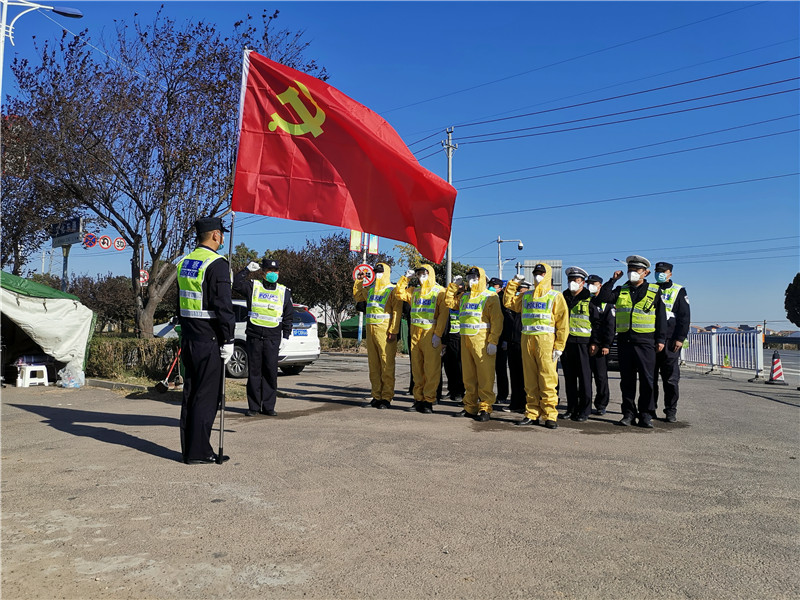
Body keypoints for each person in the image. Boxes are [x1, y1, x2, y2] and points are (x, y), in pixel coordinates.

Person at [176, 217, 236, 464]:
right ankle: (200, 452)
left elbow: (180, 303)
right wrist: (229, 339)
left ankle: (190, 449)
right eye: (221, 233)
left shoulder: (184, 262)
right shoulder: (217, 264)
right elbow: (223, 306)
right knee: (207, 396)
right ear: (214, 235)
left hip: (190, 336)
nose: (222, 237)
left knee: (191, 394)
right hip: (210, 339)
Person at [595, 255, 667, 428]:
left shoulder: (655, 291)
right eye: (630, 270)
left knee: (647, 380)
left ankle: (646, 415)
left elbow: (661, 319)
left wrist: (661, 339)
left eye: (636, 270)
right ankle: (628, 414)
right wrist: (612, 280)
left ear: (646, 273)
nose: (632, 273)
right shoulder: (621, 289)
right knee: (626, 380)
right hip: (625, 342)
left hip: (646, 342)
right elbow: (601, 298)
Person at [504, 263, 569, 429]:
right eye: (535, 273)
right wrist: (513, 283)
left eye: (541, 273)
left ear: (547, 275)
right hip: (527, 339)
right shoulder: (526, 296)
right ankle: (532, 413)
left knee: (547, 379)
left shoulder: (555, 296)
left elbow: (563, 323)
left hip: (546, 341)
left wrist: (559, 346)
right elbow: (509, 303)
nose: (537, 276)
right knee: (530, 379)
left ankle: (549, 415)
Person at [233, 258, 294, 417]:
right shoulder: (253, 286)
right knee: (254, 373)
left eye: (275, 271)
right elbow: (236, 284)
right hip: (254, 336)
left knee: (270, 373)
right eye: (269, 271)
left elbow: (288, 316)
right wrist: (246, 270)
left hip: (273, 337)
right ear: (262, 272)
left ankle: (268, 407)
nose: (273, 274)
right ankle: (253, 407)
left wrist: (286, 336)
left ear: (279, 273)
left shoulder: (284, 291)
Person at [445, 266, 503, 421]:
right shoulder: (464, 296)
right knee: (469, 376)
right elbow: (449, 303)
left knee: (485, 376)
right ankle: (470, 406)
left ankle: (485, 408)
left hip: (482, 341)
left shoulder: (490, 296)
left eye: (475, 277)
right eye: (469, 277)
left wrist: (493, 341)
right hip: (466, 340)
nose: (472, 280)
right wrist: (453, 286)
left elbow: (497, 320)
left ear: (481, 278)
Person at [396, 265, 448, 413]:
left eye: (424, 273)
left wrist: (438, 335)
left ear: (430, 274)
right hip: (415, 334)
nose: (421, 276)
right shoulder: (414, 291)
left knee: (431, 370)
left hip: (430, 334)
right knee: (417, 369)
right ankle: (418, 399)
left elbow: (443, 315)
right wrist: (406, 278)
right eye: (419, 273)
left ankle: (429, 401)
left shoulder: (440, 292)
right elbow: (399, 294)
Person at [353, 263, 403, 408]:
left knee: (386, 364)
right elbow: (358, 295)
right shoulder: (371, 290)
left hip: (385, 332)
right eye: (376, 272)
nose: (378, 274)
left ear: (386, 272)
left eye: (380, 271)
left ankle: (386, 398)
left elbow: (396, 311)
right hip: (371, 331)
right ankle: (376, 395)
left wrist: (393, 331)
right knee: (374, 365)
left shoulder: (392, 290)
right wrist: (359, 280)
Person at [560, 266, 601, 422]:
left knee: (584, 378)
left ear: (583, 282)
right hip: (566, 343)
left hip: (584, 344)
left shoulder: (589, 298)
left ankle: (584, 410)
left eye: (576, 280)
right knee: (569, 378)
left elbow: (597, 323)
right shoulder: (563, 297)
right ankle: (571, 408)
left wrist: (595, 342)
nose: (572, 283)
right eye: (570, 280)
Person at [653, 261, 690, 422]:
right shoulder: (651, 289)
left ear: (670, 274)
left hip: (670, 341)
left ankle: (670, 410)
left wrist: (680, 338)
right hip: (652, 340)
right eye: (657, 271)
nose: (659, 273)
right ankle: (649, 409)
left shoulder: (678, 290)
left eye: (663, 271)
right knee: (650, 379)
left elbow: (684, 317)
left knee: (670, 379)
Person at [586, 274, 614, 416]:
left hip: (600, 346)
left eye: (594, 283)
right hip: (586, 344)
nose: (590, 286)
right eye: (588, 283)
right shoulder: (586, 300)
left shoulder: (606, 304)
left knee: (600, 377)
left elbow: (609, 326)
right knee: (585, 377)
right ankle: (585, 404)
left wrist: (605, 345)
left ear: (600, 286)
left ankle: (601, 404)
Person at [488, 277, 512, 406]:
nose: (492, 287)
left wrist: (506, 340)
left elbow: (507, 321)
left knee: (500, 369)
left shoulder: (502, 299)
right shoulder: (487, 297)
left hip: (501, 339)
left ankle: (502, 395)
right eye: (490, 285)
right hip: (488, 338)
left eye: (494, 285)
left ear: (500, 287)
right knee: (487, 369)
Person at [442, 306, 465, 403]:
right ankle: (452, 390)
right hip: (448, 336)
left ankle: (460, 392)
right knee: (448, 365)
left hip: (458, 336)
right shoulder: (447, 303)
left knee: (458, 366)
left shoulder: (462, 300)